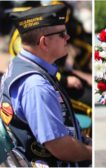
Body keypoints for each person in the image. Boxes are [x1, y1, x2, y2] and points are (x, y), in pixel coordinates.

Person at [0, 4, 91, 166]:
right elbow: (61, 147)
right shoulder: (36, 86)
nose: (68, 37)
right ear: (44, 42)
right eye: (62, 34)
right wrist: (91, 152)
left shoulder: (20, 64)